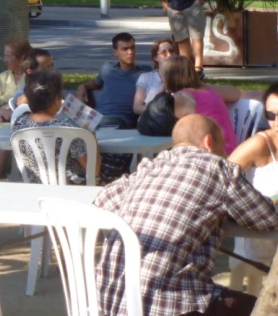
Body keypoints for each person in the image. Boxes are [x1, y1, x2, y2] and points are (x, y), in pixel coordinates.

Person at [95, 114, 278, 316]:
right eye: (223, 146)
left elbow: (102, 201)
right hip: (172, 306)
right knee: (261, 307)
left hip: (110, 304)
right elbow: (267, 219)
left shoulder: (149, 167)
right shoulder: (217, 169)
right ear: (209, 142)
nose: (226, 153)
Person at [227, 83, 278, 291]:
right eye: (271, 114)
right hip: (257, 248)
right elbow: (222, 176)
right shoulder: (259, 144)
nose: (276, 121)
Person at [12, 69, 99, 184]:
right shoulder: (69, 128)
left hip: (34, 189)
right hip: (71, 191)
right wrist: (92, 138)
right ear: (56, 100)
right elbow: (94, 170)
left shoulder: (19, 124)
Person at [161, 55, 239, 155]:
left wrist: (162, 92)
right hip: (230, 150)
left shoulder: (181, 98)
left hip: (213, 155)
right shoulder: (207, 89)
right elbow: (236, 92)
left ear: (169, 78)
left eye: (162, 76)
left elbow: (165, 125)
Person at [75, 32, 151, 129]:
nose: (130, 52)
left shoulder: (145, 72)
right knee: (68, 120)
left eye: (132, 48)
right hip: (98, 117)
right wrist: (82, 86)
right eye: (125, 49)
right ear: (115, 52)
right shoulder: (107, 69)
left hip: (120, 120)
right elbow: (94, 83)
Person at [133, 38, 176, 115]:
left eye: (171, 51)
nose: (169, 55)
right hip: (150, 121)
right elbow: (137, 107)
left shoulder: (181, 77)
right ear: (155, 57)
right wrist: (156, 109)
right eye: (164, 53)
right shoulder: (146, 77)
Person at [0, 38, 31, 122]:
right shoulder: (0, 78)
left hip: (27, 120)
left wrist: (12, 113)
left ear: (21, 57)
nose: (4, 60)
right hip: (3, 120)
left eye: (8, 56)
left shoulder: (33, 77)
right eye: (5, 56)